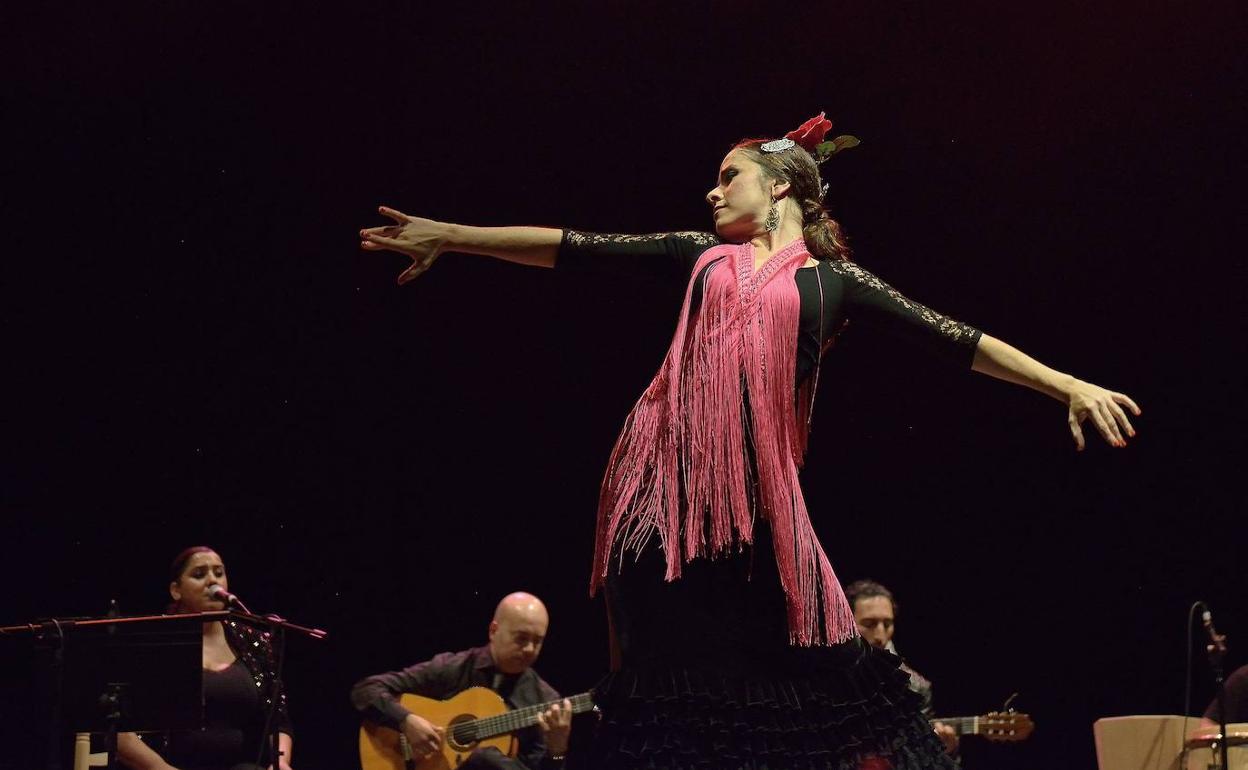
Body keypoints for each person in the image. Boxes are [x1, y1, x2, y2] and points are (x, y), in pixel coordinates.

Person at [358, 113, 1140, 769]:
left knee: (816, 679)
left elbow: (958, 338)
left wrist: (1066, 383)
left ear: (782, 188)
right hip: (660, 503)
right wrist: (452, 234)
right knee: (661, 691)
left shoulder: (836, 281)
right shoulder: (701, 256)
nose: (712, 188)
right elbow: (572, 245)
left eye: (729, 175)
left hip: (757, 517)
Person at [116, 546, 294, 770]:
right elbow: (117, 729)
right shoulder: (155, 641)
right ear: (176, 590)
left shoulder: (251, 640)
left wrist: (280, 761)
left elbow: (278, 720)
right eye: (199, 574)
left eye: (219, 573)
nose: (213, 580)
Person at [350, 592, 573, 770]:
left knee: (486, 760)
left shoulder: (546, 701)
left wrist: (557, 750)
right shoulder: (455, 668)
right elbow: (366, 689)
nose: (529, 649)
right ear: (494, 630)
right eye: (522, 639)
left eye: (538, 641)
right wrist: (406, 721)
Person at [847, 579, 958, 756]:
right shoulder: (825, 679)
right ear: (847, 622)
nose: (880, 634)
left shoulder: (916, 685)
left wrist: (944, 751)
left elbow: (919, 758)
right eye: (869, 624)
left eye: (887, 624)